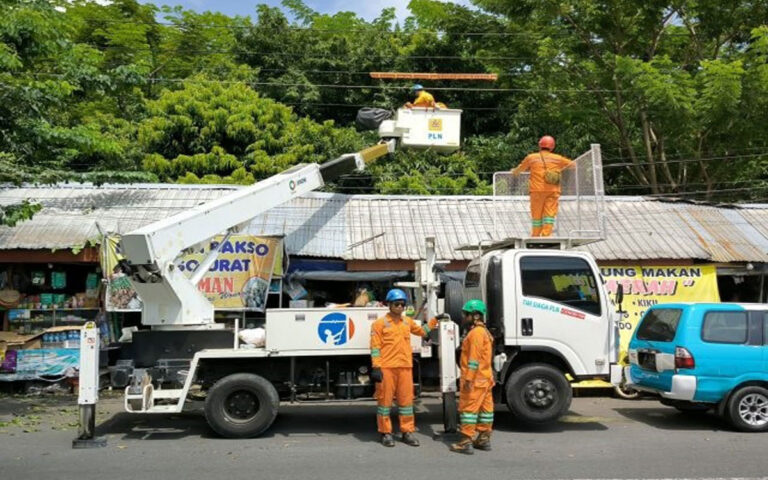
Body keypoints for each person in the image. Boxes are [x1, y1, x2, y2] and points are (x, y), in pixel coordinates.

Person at [370, 288, 438, 447]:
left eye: (402, 304)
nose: (400, 307)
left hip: (405, 368)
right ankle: (386, 433)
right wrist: (376, 367)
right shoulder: (379, 324)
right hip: (386, 368)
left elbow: (422, 332)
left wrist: (435, 321)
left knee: (407, 403)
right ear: (389, 305)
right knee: (384, 403)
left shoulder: (407, 322)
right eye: (397, 304)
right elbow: (375, 347)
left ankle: (407, 431)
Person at [450, 299, 495, 455]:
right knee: (486, 410)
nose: (463, 317)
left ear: (475, 316)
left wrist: (468, 379)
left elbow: (474, 359)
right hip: (485, 379)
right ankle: (483, 439)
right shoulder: (484, 332)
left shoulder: (475, 333)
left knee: (468, 411)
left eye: (466, 314)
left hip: (475, 380)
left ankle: (465, 442)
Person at [512, 135, 573, 237]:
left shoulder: (531, 157)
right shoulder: (558, 158)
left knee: (537, 215)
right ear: (552, 147)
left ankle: (535, 235)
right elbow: (573, 165)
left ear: (540, 146)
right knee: (549, 214)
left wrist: (514, 172)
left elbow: (520, 169)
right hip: (553, 190)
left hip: (536, 191)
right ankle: (546, 235)